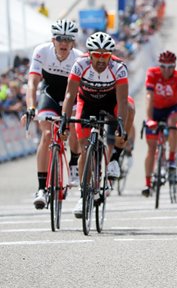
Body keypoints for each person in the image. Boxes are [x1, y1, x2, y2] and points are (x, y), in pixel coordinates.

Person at [60, 32, 134, 218]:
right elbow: (70, 95)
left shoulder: (118, 67)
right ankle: (84, 194)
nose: (101, 59)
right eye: (97, 55)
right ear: (90, 54)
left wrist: (120, 126)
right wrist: (64, 121)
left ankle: (116, 155)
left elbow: (123, 101)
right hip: (87, 101)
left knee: (130, 108)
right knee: (85, 147)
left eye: (105, 55)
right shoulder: (80, 65)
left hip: (111, 101)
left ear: (110, 55)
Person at [24, 19, 83, 209]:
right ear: (53, 40)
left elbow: (80, 92)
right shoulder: (42, 51)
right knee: (47, 135)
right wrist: (31, 107)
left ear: (73, 41)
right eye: (60, 39)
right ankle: (41, 188)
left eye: (68, 39)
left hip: (71, 97)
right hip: (49, 94)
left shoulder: (79, 58)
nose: (64, 43)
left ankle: (74, 163)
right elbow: (33, 83)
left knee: (74, 126)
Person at [142, 51, 177, 196]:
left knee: (173, 123)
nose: (167, 70)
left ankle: (172, 158)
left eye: (170, 67)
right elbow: (149, 96)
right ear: (159, 65)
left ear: (175, 66)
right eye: (163, 66)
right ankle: (148, 184)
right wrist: (149, 118)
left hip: (171, 109)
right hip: (155, 109)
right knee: (151, 148)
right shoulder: (152, 73)